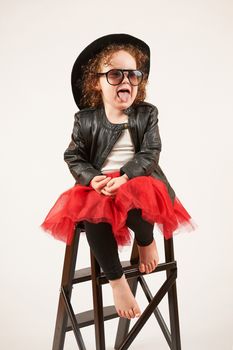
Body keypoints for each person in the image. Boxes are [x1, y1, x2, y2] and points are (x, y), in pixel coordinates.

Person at [41, 33, 196, 320]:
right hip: (100, 184)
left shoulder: (147, 114)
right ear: (96, 83)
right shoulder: (85, 119)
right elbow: (73, 156)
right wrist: (93, 179)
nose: (125, 80)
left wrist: (125, 177)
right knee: (92, 212)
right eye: (115, 74)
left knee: (142, 200)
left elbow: (151, 152)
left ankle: (146, 239)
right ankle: (115, 280)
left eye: (133, 74)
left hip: (139, 179)